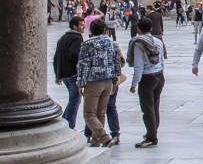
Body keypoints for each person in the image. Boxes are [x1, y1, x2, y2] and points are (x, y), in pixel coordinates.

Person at [76, 18, 121, 147]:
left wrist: (80, 83)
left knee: (89, 114)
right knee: (100, 112)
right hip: (108, 81)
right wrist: (115, 79)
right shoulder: (112, 43)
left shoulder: (87, 44)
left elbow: (84, 64)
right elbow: (116, 62)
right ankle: (96, 141)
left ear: (91, 30)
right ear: (105, 30)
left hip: (93, 81)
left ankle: (104, 138)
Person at [128, 16, 165, 147]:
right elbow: (162, 60)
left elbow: (138, 66)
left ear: (138, 28)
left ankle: (151, 137)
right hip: (159, 76)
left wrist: (134, 84)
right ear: (151, 28)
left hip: (147, 78)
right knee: (155, 106)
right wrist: (161, 74)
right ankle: (153, 131)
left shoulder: (139, 43)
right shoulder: (158, 41)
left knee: (147, 109)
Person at [53, 16, 84, 129]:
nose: (83, 27)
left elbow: (56, 58)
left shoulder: (62, 38)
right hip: (73, 74)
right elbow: (75, 55)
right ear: (75, 26)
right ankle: (68, 126)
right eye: (81, 25)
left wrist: (58, 75)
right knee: (75, 100)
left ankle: (64, 123)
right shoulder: (77, 38)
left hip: (65, 75)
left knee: (73, 99)